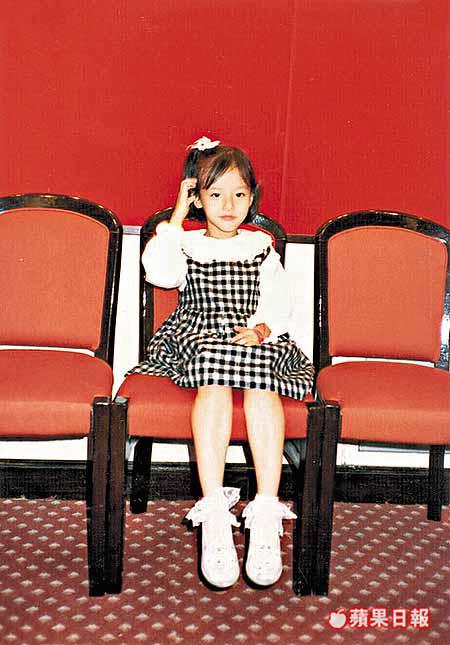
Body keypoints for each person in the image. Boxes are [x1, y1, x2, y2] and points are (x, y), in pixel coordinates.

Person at [128, 136, 314, 589]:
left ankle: (265, 511)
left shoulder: (261, 246)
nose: (228, 206)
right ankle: (214, 513)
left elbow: (279, 301)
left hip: (250, 334)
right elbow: (159, 272)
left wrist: (262, 330)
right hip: (200, 333)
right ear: (197, 198)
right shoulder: (186, 243)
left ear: (252, 199)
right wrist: (176, 216)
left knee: (262, 379)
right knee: (213, 373)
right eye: (215, 194)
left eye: (238, 194)